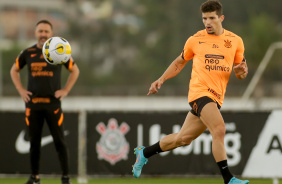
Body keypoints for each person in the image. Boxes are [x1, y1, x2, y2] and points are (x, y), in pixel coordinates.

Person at [132, 1, 249, 184]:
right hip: (199, 94)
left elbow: (241, 71)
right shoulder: (195, 40)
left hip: (216, 97)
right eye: (204, 18)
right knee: (219, 129)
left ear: (221, 18)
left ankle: (144, 153)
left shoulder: (235, 41)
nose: (207, 22)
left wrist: (240, 72)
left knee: (182, 139)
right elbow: (179, 62)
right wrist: (161, 79)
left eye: (211, 18)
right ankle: (229, 179)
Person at [10, 20, 79, 184]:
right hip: (33, 105)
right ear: (35, 33)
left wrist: (66, 90)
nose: (43, 34)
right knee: (34, 143)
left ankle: (65, 177)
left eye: (46, 31)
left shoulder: (59, 51)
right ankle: (35, 177)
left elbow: (75, 70)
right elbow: (14, 70)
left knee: (60, 141)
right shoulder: (28, 53)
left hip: (53, 105)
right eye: (40, 31)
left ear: (51, 34)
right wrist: (20, 90)